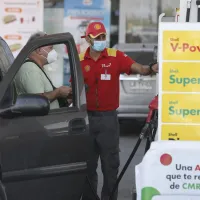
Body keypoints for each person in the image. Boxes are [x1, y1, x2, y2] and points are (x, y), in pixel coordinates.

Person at [78, 22, 158, 200]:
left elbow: (140, 68)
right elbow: (73, 90)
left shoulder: (115, 56)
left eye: (103, 37)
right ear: (89, 39)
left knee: (110, 166)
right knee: (87, 167)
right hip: (86, 119)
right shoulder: (80, 60)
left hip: (108, 120)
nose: (101, 40)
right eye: (97, 37)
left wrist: (151, 68)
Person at [14, 31, 72, 110]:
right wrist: (58, 92)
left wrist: (69, 97)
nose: (53, 52)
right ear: (39, 50)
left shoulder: (37, 67)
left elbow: (47, 97)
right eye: (50, 48)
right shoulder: (31, 69)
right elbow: (38, 102)